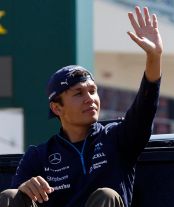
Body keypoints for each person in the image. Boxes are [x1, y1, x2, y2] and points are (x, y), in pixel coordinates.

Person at [0, 6, 162, 207]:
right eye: (78, 93)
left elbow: (145, 108)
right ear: (57, 108)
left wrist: (154, 58)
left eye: (92, 90)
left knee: (107, 195)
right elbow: (16, 199)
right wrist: (25, 188)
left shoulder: (117, 138)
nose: (90, 98)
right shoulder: (38, 156)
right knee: (9, 195)